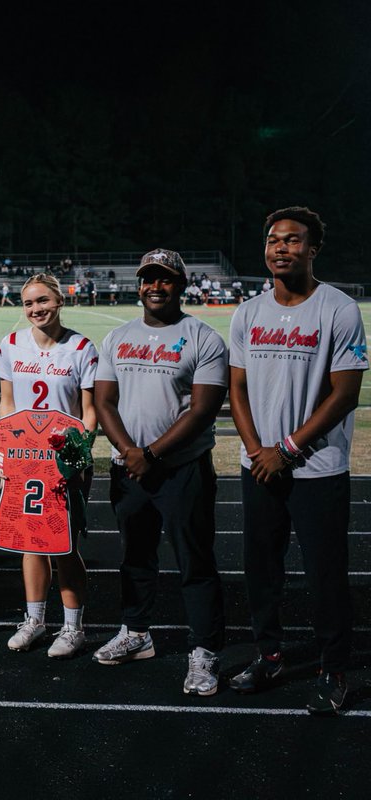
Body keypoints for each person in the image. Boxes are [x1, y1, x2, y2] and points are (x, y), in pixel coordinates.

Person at [227, 207, 367, 714]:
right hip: (258, 467)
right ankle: (269, 655)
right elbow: (236, 388)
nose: (280, 248)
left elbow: (345, 394)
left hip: (316, 469)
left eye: (292, 240)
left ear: (313, 250)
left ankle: (333, 669)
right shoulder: (248, 312)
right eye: (272, 240)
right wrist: (256, 450)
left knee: (325, 574)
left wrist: (285, 450)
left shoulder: (338, 309)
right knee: (261, 571)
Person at [93, 249, 229, 696]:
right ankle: (137, 633)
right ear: (139, 285)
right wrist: (129, 451)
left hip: (181, 469)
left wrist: (149, 453)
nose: (155, 286)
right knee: (135, 556)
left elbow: (203, 410)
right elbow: (104, 402)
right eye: (148, 278)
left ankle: (204, 650)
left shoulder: (204, 338)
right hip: (129, 468)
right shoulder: (116, 337)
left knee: (195, 561)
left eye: (165, 279)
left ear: (181, 285)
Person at [0, 274, 98, 658]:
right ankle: (35, 620)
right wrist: (7, 451)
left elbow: (89, 414)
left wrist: (76, 458)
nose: (36, 309)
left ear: (59, 301)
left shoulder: (82, 348)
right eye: (29, 303)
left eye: (43, 301)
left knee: (63, 544)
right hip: (25, 461)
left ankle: (73, 628)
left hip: (63, 463)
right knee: (29, 541)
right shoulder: (10, 344)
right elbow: (7, 405)